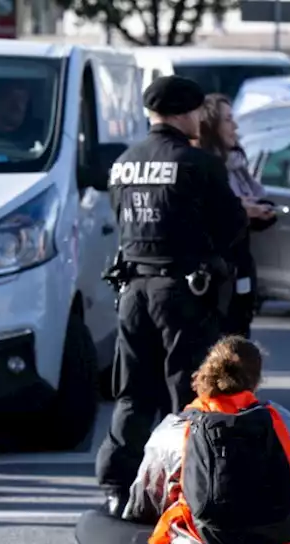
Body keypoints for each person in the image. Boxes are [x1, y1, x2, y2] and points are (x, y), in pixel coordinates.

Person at [65, 336, 290, 544]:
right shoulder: (286, 425)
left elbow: (144, 509)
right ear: (256, 381)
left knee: (90, 523)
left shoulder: (174, 430)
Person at [95, 76, 247, 516]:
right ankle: (192, 485)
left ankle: (118, 487)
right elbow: (230, 226)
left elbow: (121, 219)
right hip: (182, 290)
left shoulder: (125, 162)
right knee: (191, 392)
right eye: (198, 111)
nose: (202, 118)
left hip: (133, 291)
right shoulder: (197, 163)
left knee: (132, 393)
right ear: (183, 113)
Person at [195, 93, 277, 338]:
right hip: (217, 272)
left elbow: (257, 199)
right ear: (211, 126)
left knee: (240, 336)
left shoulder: (237, 163)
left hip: (241, 265)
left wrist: (259, 211)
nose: (235, 126)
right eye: (228, 120)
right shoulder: (205, 168)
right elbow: (211, 217)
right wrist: (240, 210)